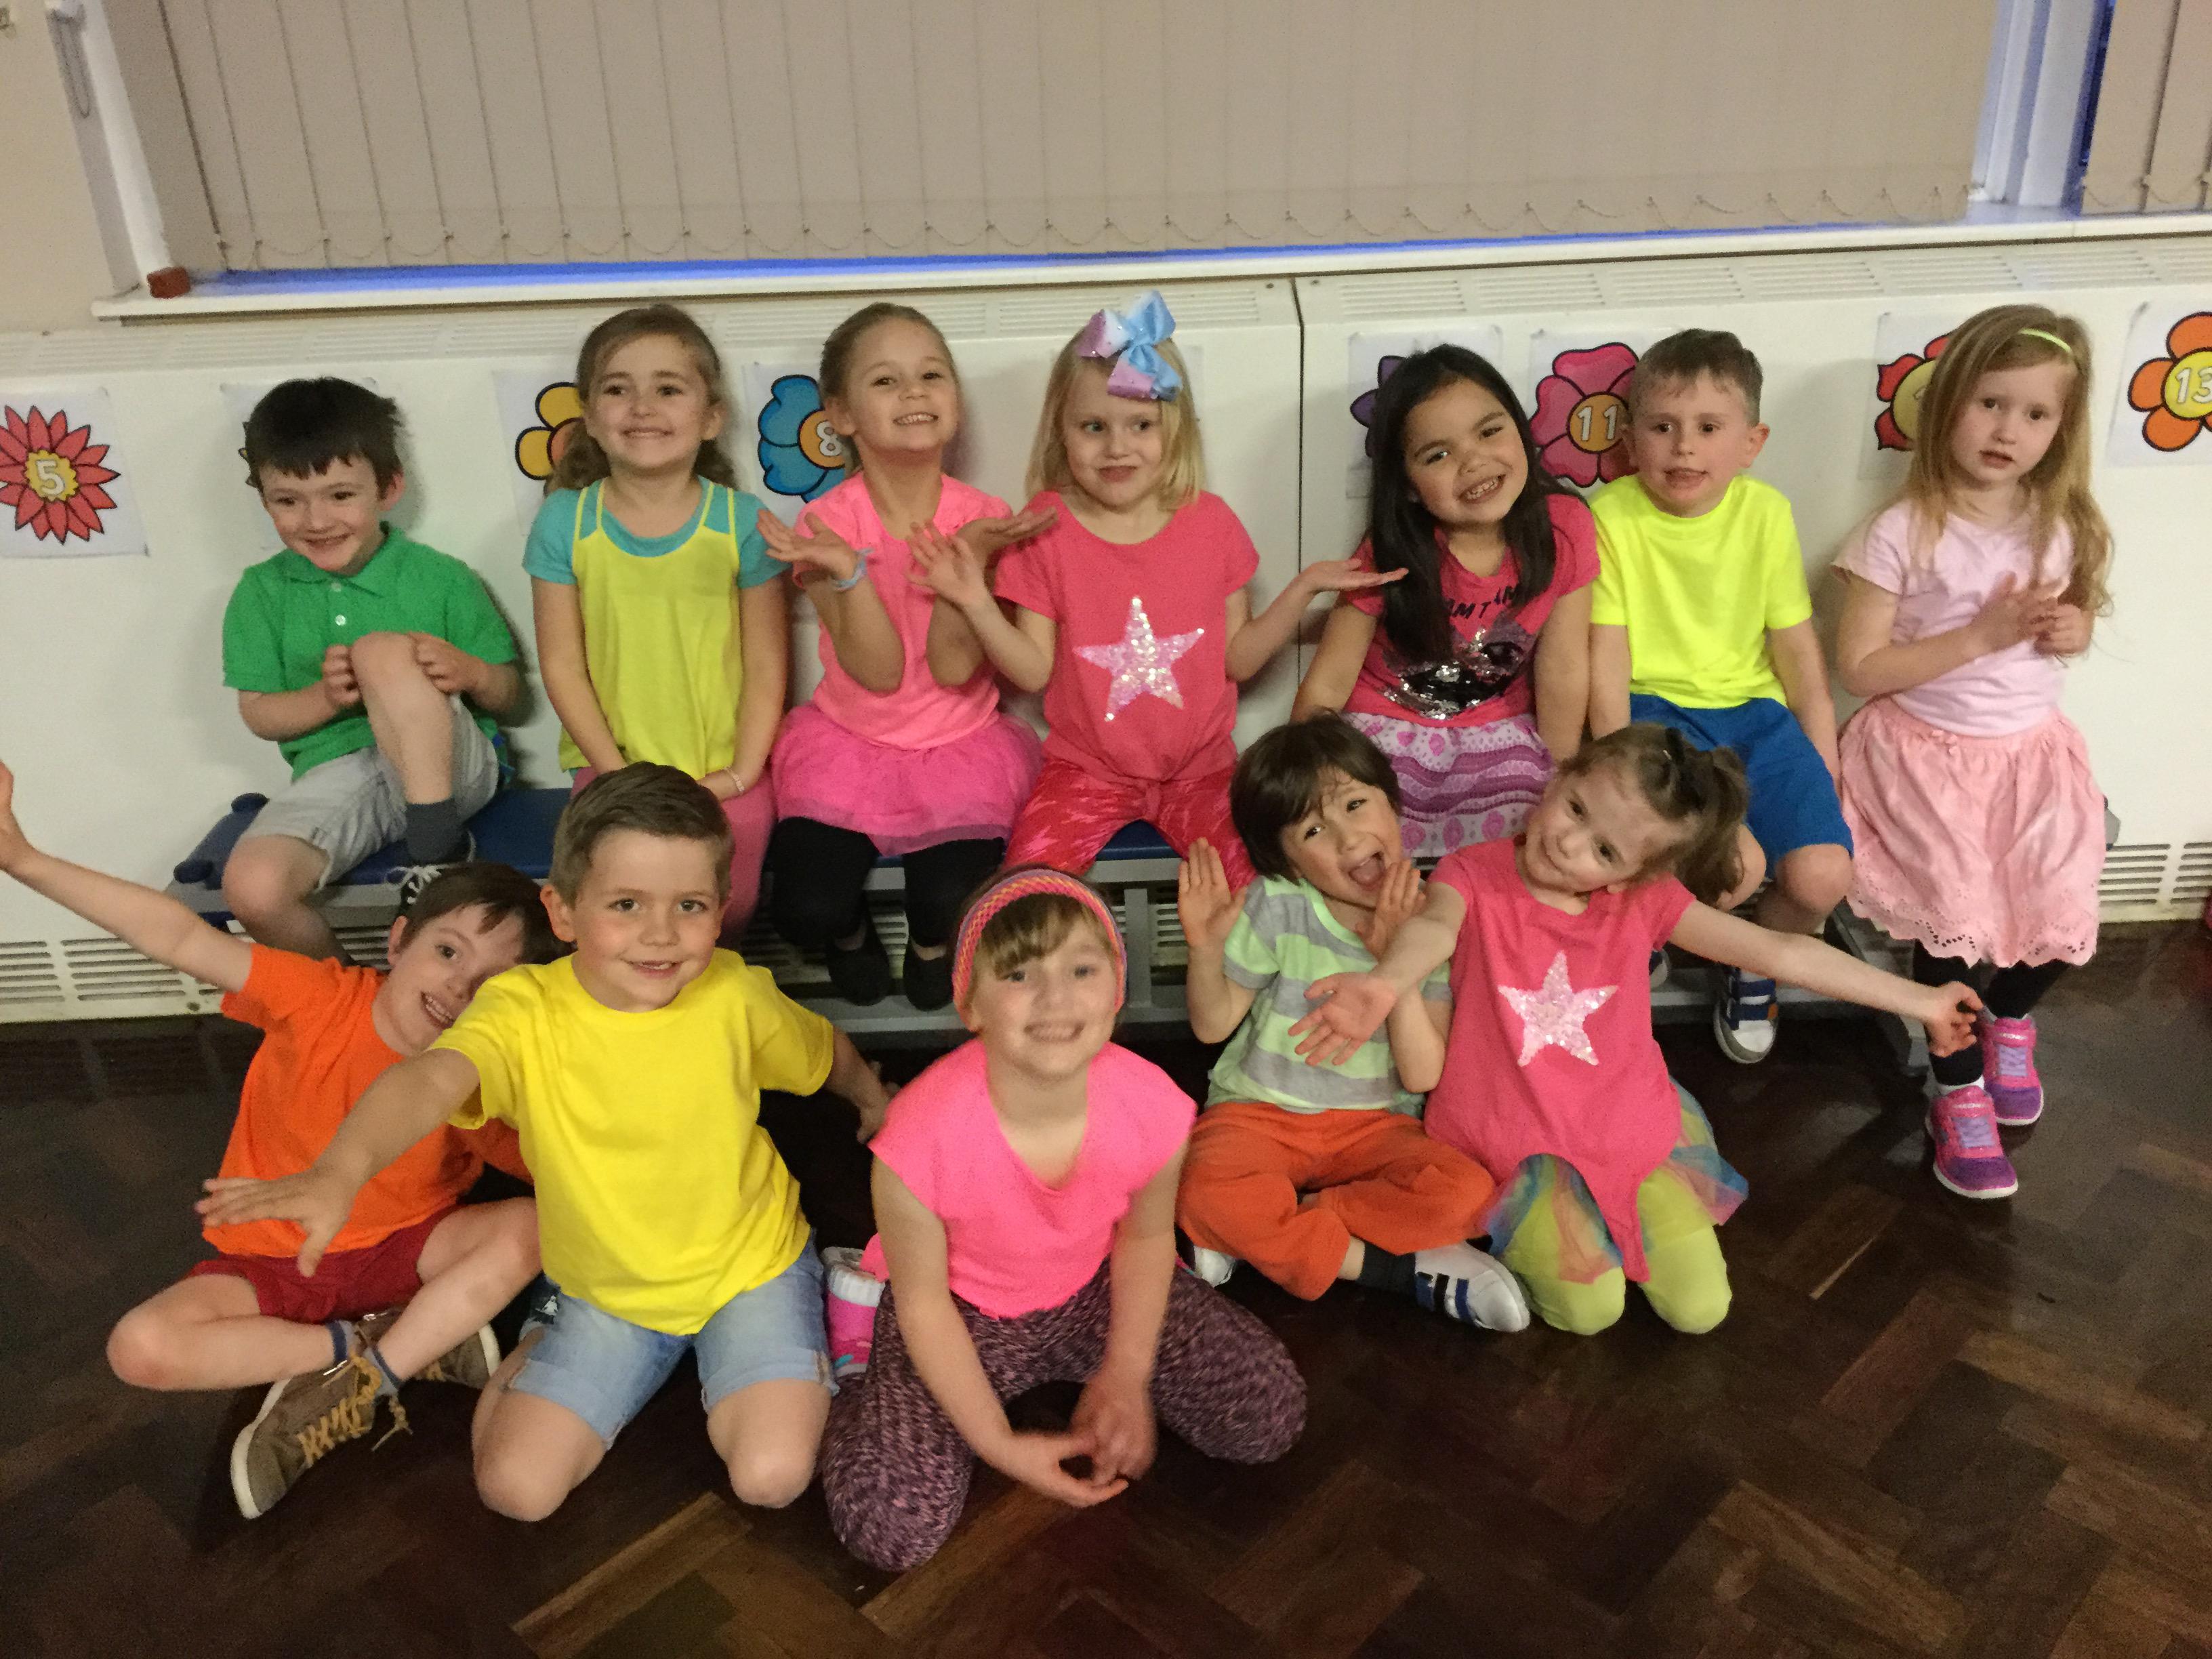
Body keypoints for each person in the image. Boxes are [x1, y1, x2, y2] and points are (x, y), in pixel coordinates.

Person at [199, 764, 895, 1521]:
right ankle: (535, 1341)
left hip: (749, 1270)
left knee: (772, 1477)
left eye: (689, 906)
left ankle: (806, 1310)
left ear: (720, 910)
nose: (660, 933)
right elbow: (430, 1080)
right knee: (517, 1492)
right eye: (626, 904)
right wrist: (342, 1168)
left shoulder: (735, 994)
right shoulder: (521, 1010)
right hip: (603, 1292)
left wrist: (872, 1099)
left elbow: (822, 1051)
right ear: (562, 912)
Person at [1289, 726, 1980, 1336]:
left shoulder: (1645, 902)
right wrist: (1385, 984)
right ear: (1560, 776)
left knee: (1701, 1309)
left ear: (1631, 876)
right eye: (1575, 807)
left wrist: (1922, 1001)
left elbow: (1782, 952)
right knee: (1591, 1311)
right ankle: (1493, 1238)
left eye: (1603, 850)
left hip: (1628, 1127)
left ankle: (1596, 1223)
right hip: (1512, 1136)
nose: (1567, 842)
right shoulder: (1471, 873)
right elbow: (1435, 929)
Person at [0, 758, 552, 1519]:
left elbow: (556, 1172)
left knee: (534, 1227)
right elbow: (175, 933)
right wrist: (25, 862)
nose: (459, 988)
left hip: (409, 1251)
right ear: (399, 942)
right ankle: (374, 1349)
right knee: (141, 1348)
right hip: (274, 1265)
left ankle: (376, 1375)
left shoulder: (482, 1073)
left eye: (492, 984)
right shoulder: (317, 997)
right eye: (449, 951)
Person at [819, 867, 1305, 1572]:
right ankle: (857, 1372)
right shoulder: (916, 1140)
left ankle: (1096, 1374)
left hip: (1093, 1288)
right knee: (889, 1526)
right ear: (970, 1003)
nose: (1055, 997)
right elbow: (924, 1304)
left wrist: (1127, 1375)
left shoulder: (1153, 1105)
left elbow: (1145, 1237)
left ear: (1116, 988)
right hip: (963, 1312)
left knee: (1268, 1416)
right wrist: (997, 1443)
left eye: (1082, 969)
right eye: (1019, 974)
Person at [914, 291, 1389, 889]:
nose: (1117, 447)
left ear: (1174, 429)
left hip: (1203, 773)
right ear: (1061, 431)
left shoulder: (1211, 523)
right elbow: (1032, 672)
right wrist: (976, 603)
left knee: (1264, 894)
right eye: (1094, 427)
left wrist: (1305, 588)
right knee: (1026, 892)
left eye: (1141, 425)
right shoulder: (1045, 527)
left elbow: (1237, 659)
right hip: (1084, 774)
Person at [1832, 304, 2111, 1200]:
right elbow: (1860, 667)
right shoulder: (1902, 531)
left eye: (2035, 413)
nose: (2007, 430)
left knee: (2065, 909)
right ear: (1948, 402)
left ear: (2061, 428)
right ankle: (1955, 1093)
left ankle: (2007, 1021)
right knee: (1952, 920)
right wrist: (1979, 636)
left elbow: (2074, 615)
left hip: (2030, 757)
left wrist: (2072, 629)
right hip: (1925, 757)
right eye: (1990, 403)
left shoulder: (2062, 522)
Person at [1172, 716, 1524, 1328]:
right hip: (1259, 1115)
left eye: (1356, 804)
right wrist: (1204, 950)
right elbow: (1212, 1026)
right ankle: (1392, 1269)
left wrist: (1397, 969)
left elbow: (1422, 1075)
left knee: (1470, 1195)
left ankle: (1276, 1228)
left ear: (1393, 803)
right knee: (1199, 1186)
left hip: (1375, 1129)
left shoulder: (1430, 921)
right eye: (1313, 830)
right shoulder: (1278, 905)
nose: (1346, 836)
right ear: (1288, 863)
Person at [755, 303, 1046, 1010]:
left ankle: (929, 947)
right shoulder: (826, 522)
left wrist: (966, 561)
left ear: (956, 398)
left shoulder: (984, 514)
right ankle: (852, 936)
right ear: (841, 415)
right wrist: (848, 573)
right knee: (805, 910)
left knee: (952, 904)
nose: (914, 392)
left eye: (931, 375)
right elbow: (879, 673)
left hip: (960, 746)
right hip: (848, 744)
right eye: (885, 380)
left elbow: (953, 669)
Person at [1587, 329, 1850, 1063]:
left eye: (1708, 428)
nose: (1684, 448)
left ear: (1751, 443)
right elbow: (1606, 658)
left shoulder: (1765, 512)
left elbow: (1796, 648)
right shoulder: (1609, 516)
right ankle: (1640, 933)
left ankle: (1756, 962)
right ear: (1631, 438)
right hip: (1656, 715)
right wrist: (1616, 770)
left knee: (1824, 875)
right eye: (1662, 427)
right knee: (1735, 871)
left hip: (1756, 718)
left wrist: (1822, 757)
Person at [221, 378, 523, 958]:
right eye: (288, 501)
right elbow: (259, 714)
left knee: (380, 650)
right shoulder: (261, 592)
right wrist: (326, 698)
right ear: (264, 500)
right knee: (254, 889)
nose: (316, 520)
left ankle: (437, 854)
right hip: (340, 777)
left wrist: (471, 674)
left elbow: (511, 695)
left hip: (449, 769)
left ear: (389, 488)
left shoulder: (441, 577)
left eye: (340, 495)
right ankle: (353, 1002)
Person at [529, 304, 788, 939]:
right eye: (619, 389)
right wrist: (615, 776)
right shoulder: (565, 521)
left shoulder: (742, 521)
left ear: (711, 418)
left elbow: (766, 663)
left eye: (668, 389)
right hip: (611, 768)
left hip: (726, 772)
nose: (642, 407)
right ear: (591, 417)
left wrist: (742, 773)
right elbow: (561, 665)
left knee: (725, 910)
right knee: (621, 910)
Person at [1294, 344, 1597, 857]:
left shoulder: (1565, 525)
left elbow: (1564, 666)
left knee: (1536, 839)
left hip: (1499, 733)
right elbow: (1329, 681)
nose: (1474, 461)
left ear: (1521, 430)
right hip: (1384, 728)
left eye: (1489, 431)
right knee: (1359, 837)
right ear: (1409, 487)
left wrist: (1562, 775)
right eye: (1438, 455)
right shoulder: (1390, 549)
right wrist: (1302, 781)